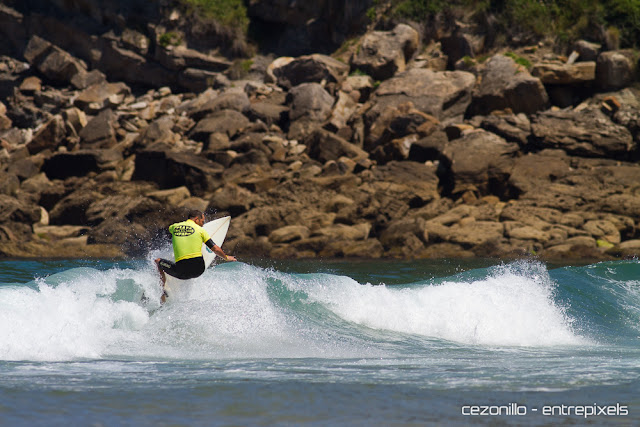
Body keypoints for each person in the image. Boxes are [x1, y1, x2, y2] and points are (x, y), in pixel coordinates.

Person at [155, 210, 236, 303]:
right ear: (197, 219)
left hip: (181, 272)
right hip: (198, 269)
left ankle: (162, 292)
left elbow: (170, 228)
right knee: (198, 243)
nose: (203, 224)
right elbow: (216, 249)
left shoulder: (174, 227)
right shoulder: (201, 230)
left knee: (157, 261)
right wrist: (226, 257)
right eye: (202, 221)